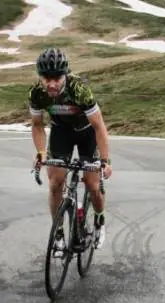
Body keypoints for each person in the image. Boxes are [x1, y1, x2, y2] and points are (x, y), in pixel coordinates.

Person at [28, 48, 113, 257]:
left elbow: (99, 127)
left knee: (93, 185)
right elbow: (37, 125)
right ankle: (58, 234)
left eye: (56, 78)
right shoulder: (36, 94)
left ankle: (100, 220)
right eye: (46, 78)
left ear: (65, 75)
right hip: (61, 132)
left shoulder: (79, 89)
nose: (51, 84)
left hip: (86, 133)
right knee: (55, 184)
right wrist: (40, 152)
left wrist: (104, 160)